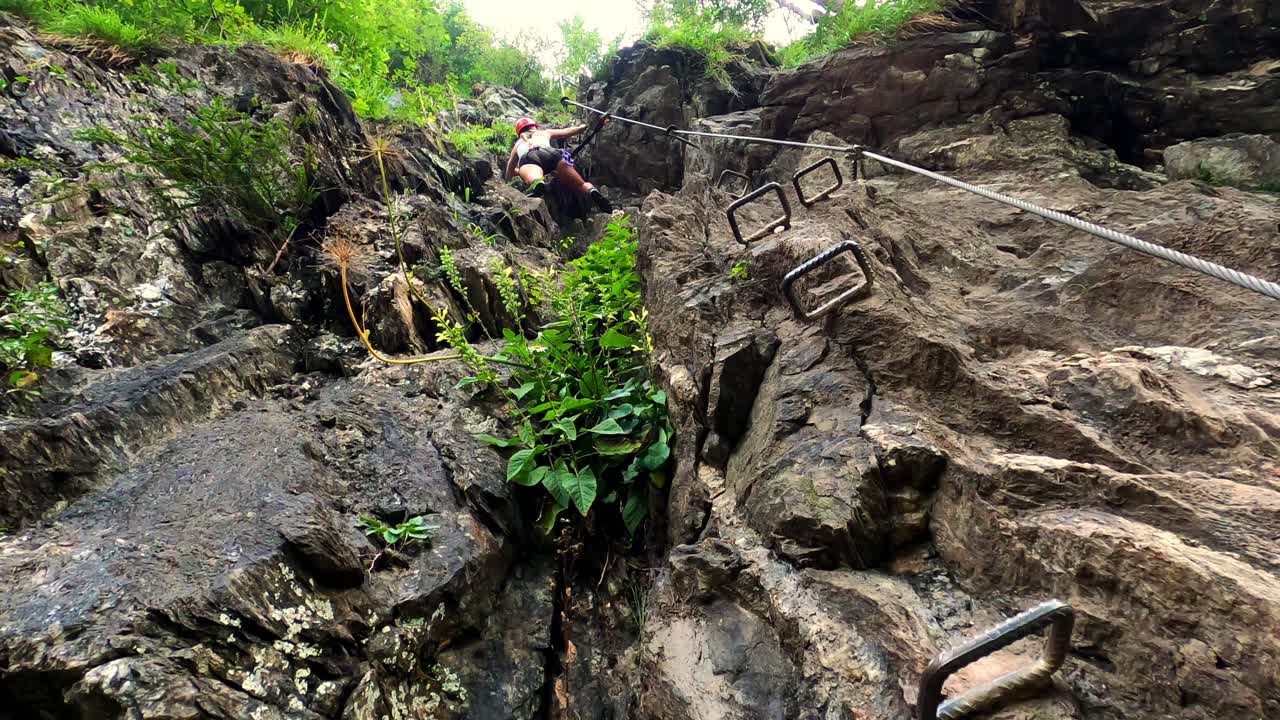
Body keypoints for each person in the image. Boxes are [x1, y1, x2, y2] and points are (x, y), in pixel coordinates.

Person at [504, 117, 611, 212]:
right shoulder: (544, 133)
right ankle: (591, 190)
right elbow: (568, 131)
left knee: (534, 179)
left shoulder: (518, 144)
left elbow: (509, 172)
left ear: (519, 132)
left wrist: (520, 172)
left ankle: (538, 184)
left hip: (529, 157)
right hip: (552, 153)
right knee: (581, 185)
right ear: (534, 127)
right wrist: (582, 127)